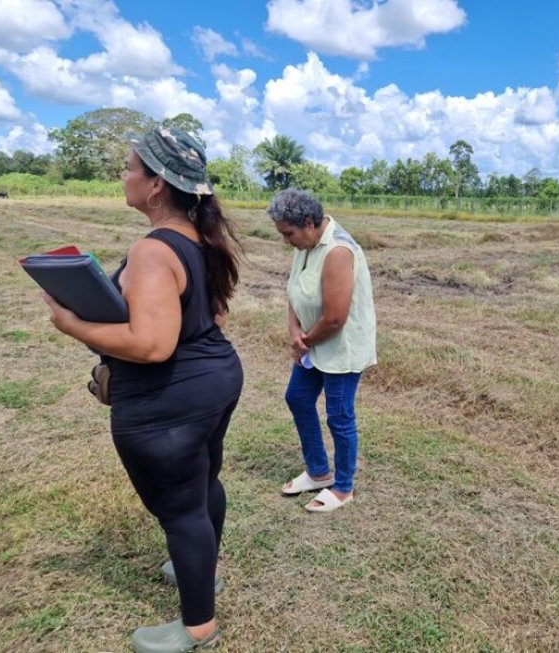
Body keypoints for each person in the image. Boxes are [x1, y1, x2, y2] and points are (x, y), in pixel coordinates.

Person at [41, 127, 243, 653]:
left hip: (171, 398)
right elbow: (213, 314)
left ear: (156, 185)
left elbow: (152, 344)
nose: (123, 175)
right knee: (203, 484)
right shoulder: (199, 239)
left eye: (130, 167)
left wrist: (72, 324)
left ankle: (199, 627)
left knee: (180, 510)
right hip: (215, 378)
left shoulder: (153, 250)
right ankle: (201, 571)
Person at [268, 189, 376, 512]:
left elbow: (335, 318)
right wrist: (294, 332)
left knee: (339, 416)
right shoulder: (305, 245)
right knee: (298, 398)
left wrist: (304, 341)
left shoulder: (338, 251)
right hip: (313, 341)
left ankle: (343, 488)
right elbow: (295, 292)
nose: (286, 241)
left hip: (341, 346)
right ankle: (318, 472)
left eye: (288, 234)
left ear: (308, 222)